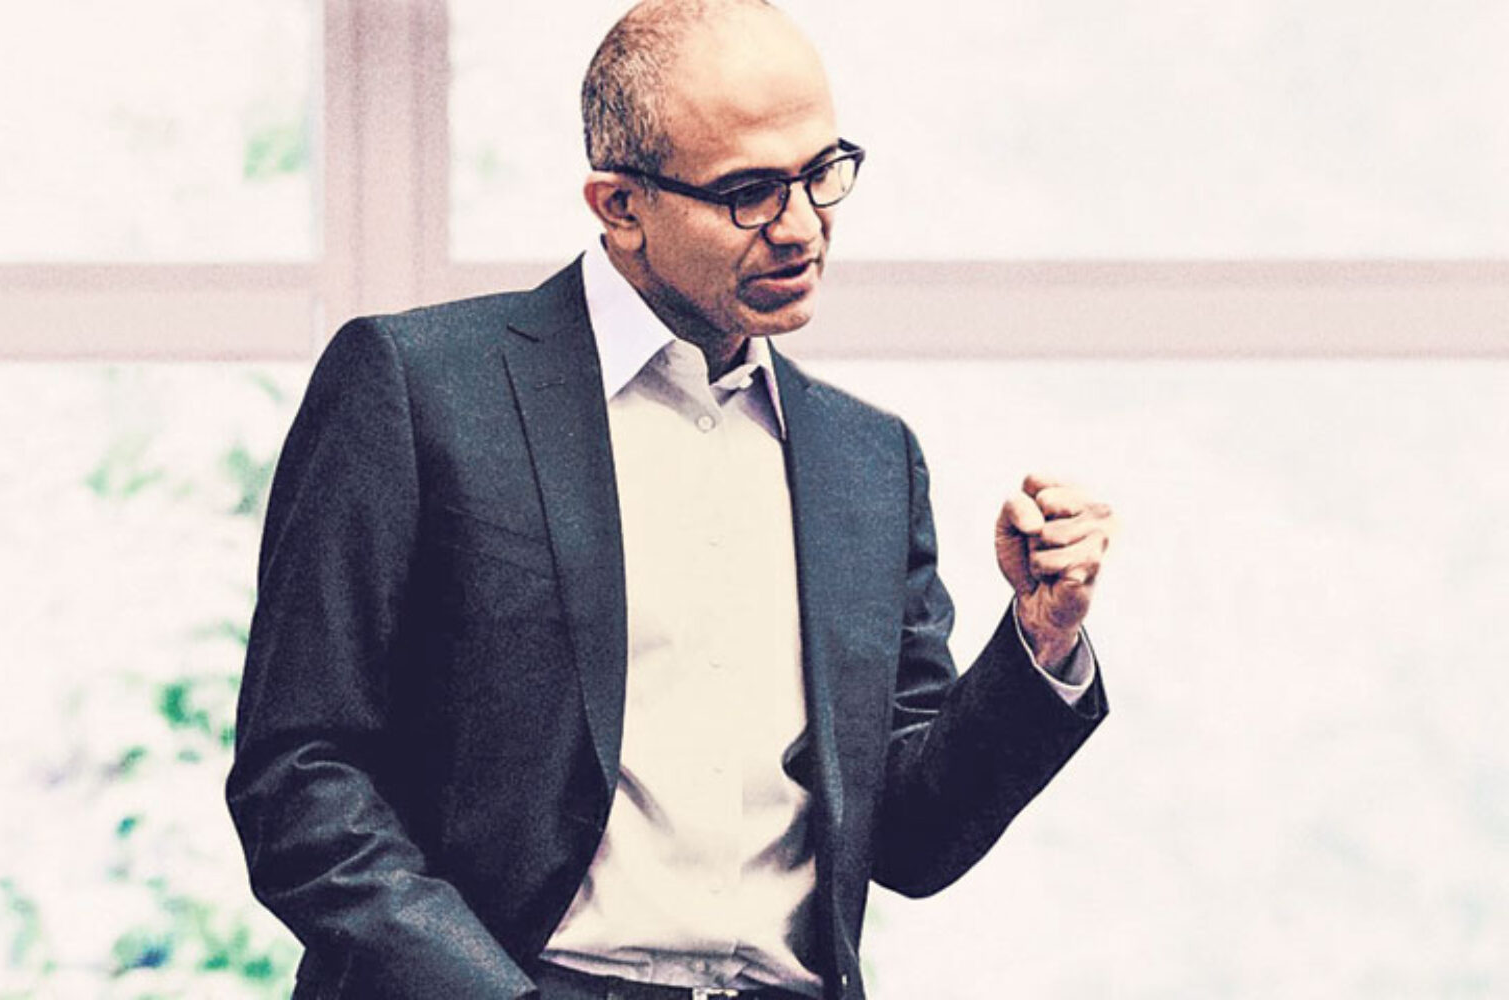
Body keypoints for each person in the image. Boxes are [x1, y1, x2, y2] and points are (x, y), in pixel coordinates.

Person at [226, 1, 1116, 998]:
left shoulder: (870, 461)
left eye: (821, 173)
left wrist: (1040, 641)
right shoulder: (415, 386)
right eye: (748, 192)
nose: (800, 227)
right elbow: (298, 778)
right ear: (619, 205)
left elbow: (911, 838)